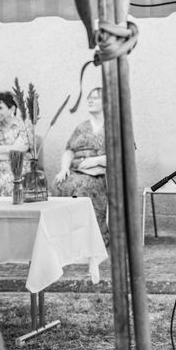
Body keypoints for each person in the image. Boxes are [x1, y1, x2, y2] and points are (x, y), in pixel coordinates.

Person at [52, 87, 109, 246]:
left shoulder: (115, 126)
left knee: (83, 186)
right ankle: (64, 237)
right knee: (59, 184)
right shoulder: (82, 127)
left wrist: (97, 160)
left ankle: (89, 238)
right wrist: (64, 169)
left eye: (95, 98)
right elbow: (69, 150)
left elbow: (123, 153)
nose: (90, 100)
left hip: (101, 174)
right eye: (89, 98)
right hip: (77, 171)